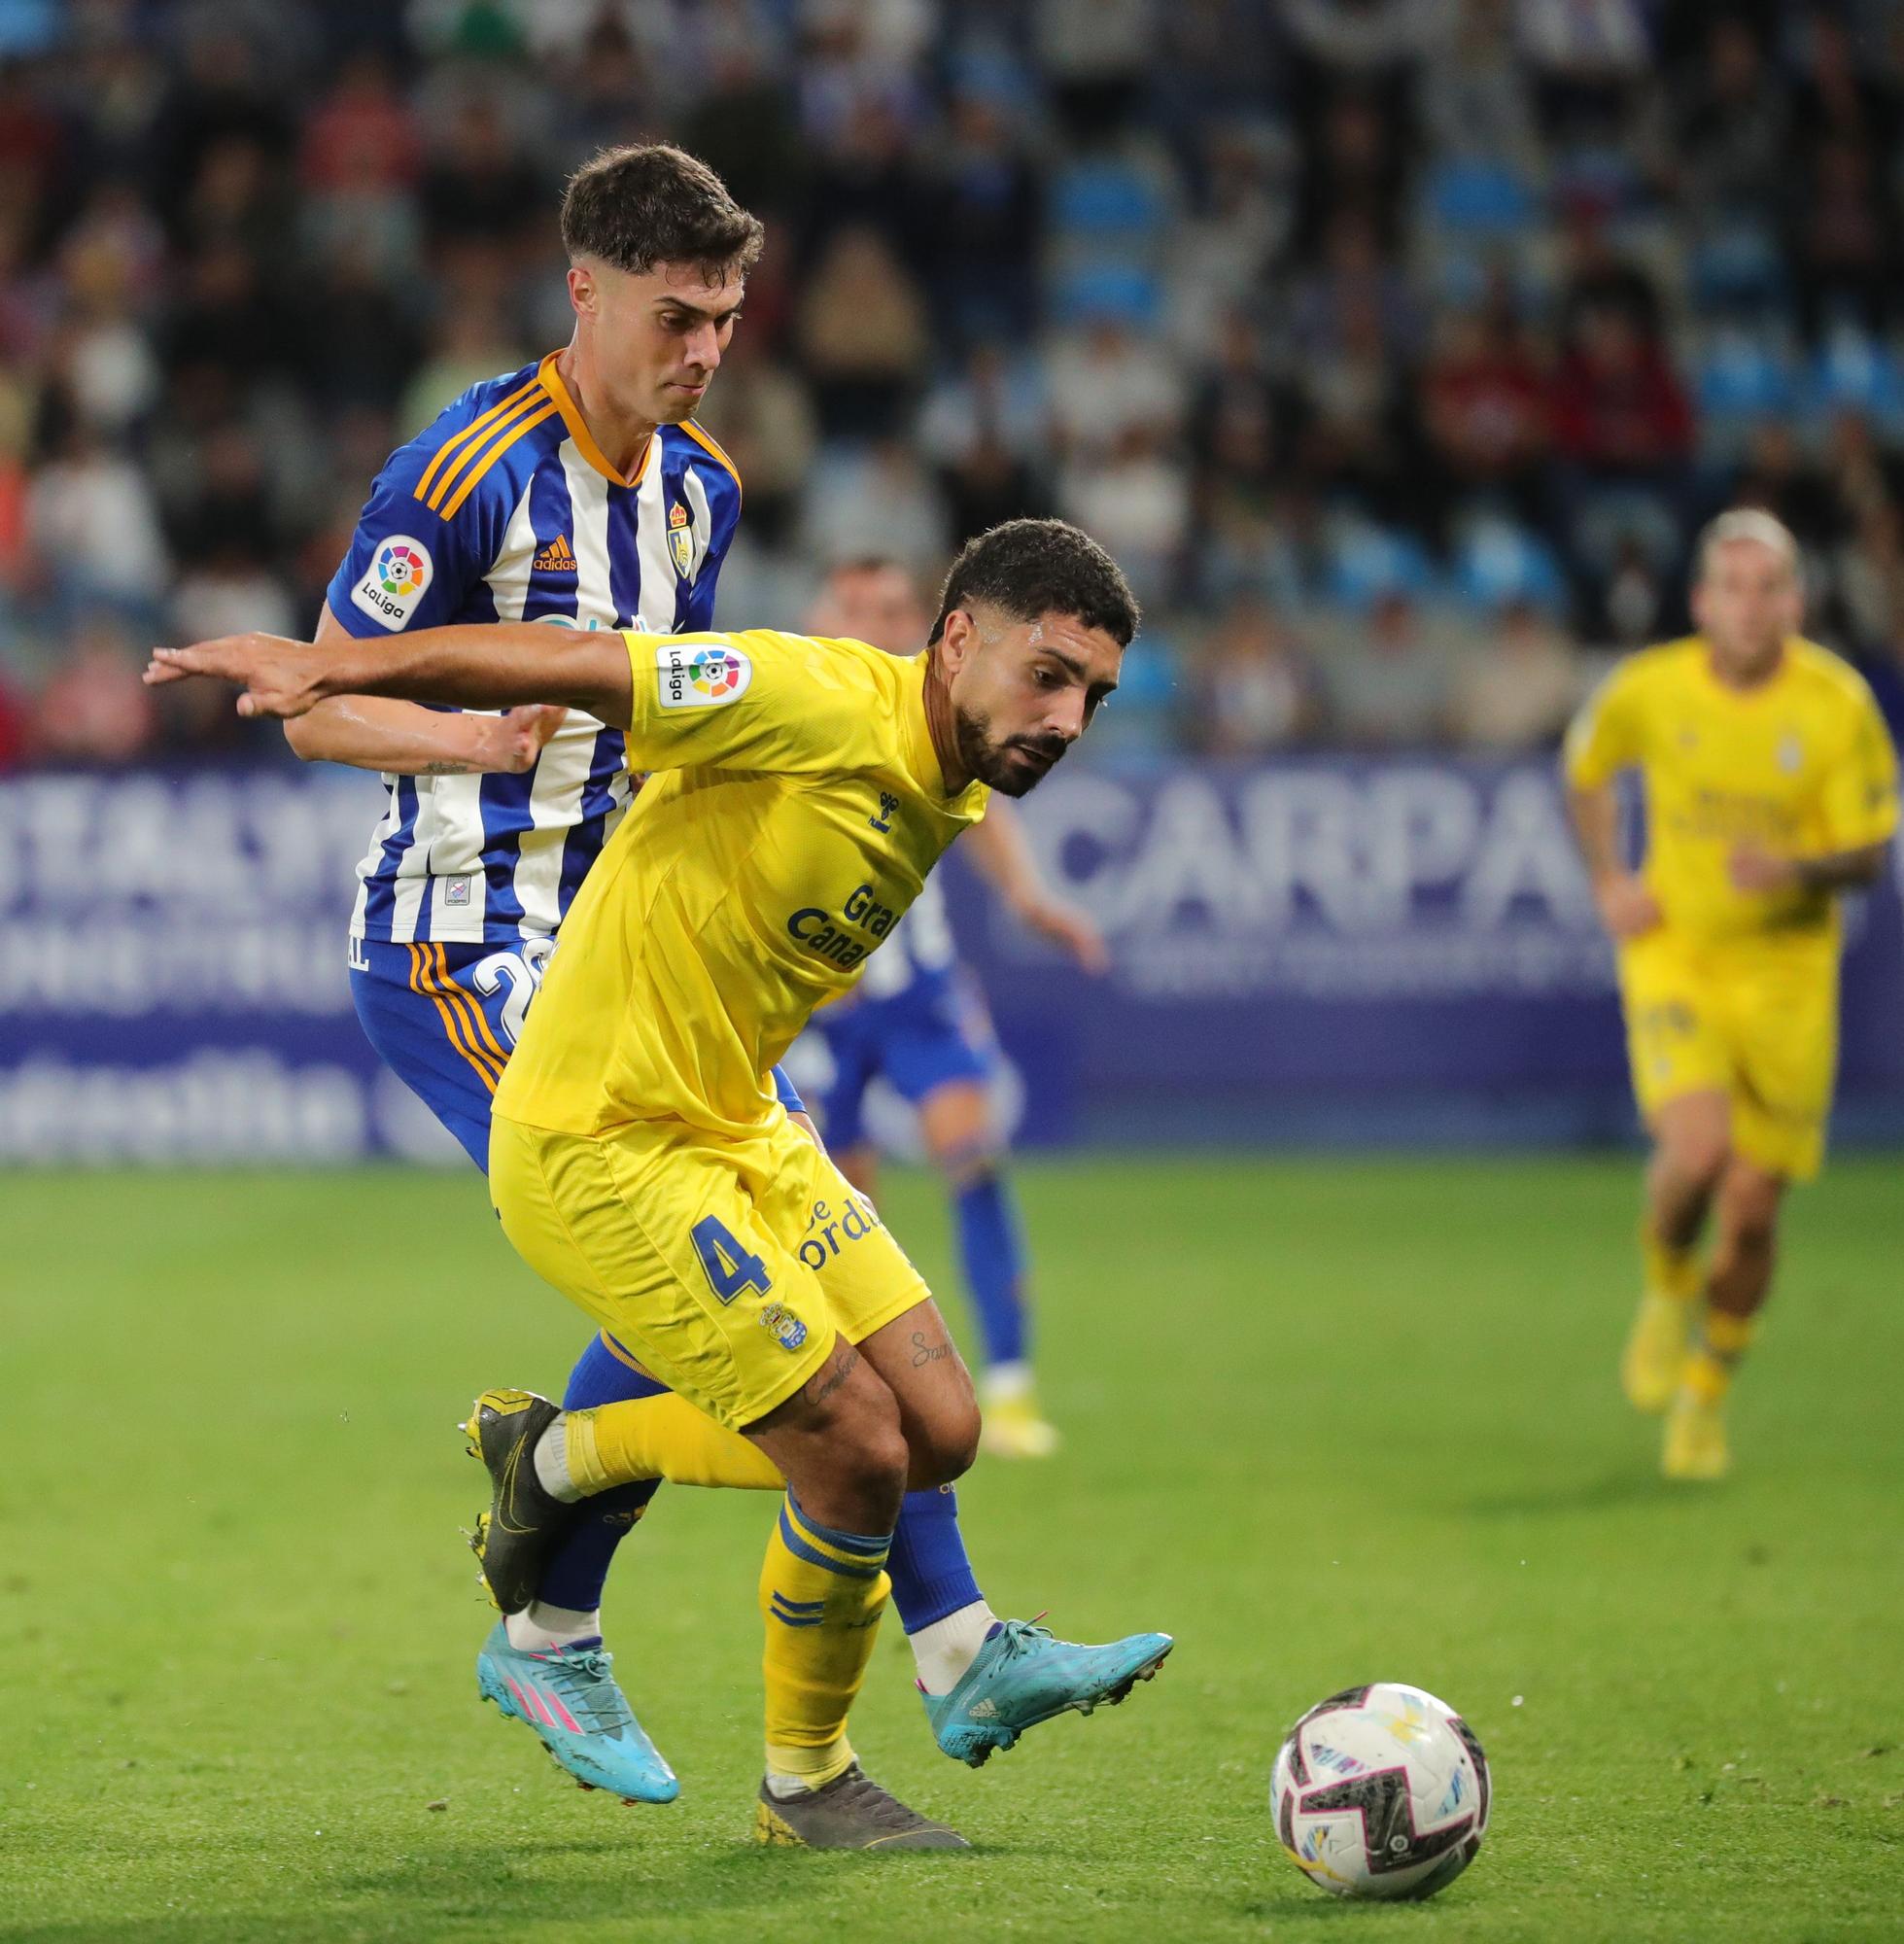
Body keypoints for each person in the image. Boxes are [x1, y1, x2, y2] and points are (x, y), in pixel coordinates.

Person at [285, 146, 1156, 1815]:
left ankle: (939, 1628)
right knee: (674, 1294)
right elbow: (325, 699)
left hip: (617, 938)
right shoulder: (458, 473)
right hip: (463, 942)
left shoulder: (700, 489)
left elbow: (676, 709)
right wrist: (460, 735)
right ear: (586, 293)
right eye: (675, 316)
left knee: (760, 1312)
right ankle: (568, 1620)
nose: (701, 352)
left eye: (726, 320)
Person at [153, 518, 1173, 1848]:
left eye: (1090, 695)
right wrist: (339, 669)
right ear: (959, 637)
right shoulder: (807, 696)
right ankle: (805, 1781)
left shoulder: (956, 774)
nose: (1067, 718)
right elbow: (581, 663)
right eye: (1046, 675)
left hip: (737, 1125)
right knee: (856, 1452)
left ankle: (590, 1470)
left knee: (941, 1428)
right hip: (602, 1134)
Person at [1564, 509, 1898, 1480]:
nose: (1752, 607)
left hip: (1790, 980)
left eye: (1771, 587)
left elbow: (1871, 852)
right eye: (1734, 587)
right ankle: (1668, 1285)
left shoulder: (1836, 705)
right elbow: (1585, 770)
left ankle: (1706, 1393)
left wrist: (1795, 867)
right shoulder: (1652, 688)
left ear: (1796, 601)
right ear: (1704, 600)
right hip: (1679, 958)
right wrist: (1609, 878)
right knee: (1698, 1150)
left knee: (1753, 1211)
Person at [796, 556, 1108, 1455]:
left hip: (918, 993)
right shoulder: (793, 704)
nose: (872, 620)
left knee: (970, 1157)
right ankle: (864, 1406)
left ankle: (1009, 1388)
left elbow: (986, 810)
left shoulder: (938, 705)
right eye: (854, 602)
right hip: (817, 1005)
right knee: (843, 1218)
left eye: (892, 606)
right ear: (823, 611)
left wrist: (1031, 900)